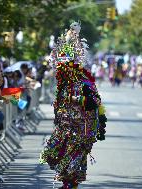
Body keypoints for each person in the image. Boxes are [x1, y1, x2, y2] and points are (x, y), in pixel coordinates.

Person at [40, 22, 107, 189]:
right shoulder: (64, 83)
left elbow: (94, 104)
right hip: (66, 129)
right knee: (60, 158)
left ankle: (70, 184)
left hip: (80, 131)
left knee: (73, 163)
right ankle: (68, 183)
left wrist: (75, 100)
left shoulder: (85, 82)